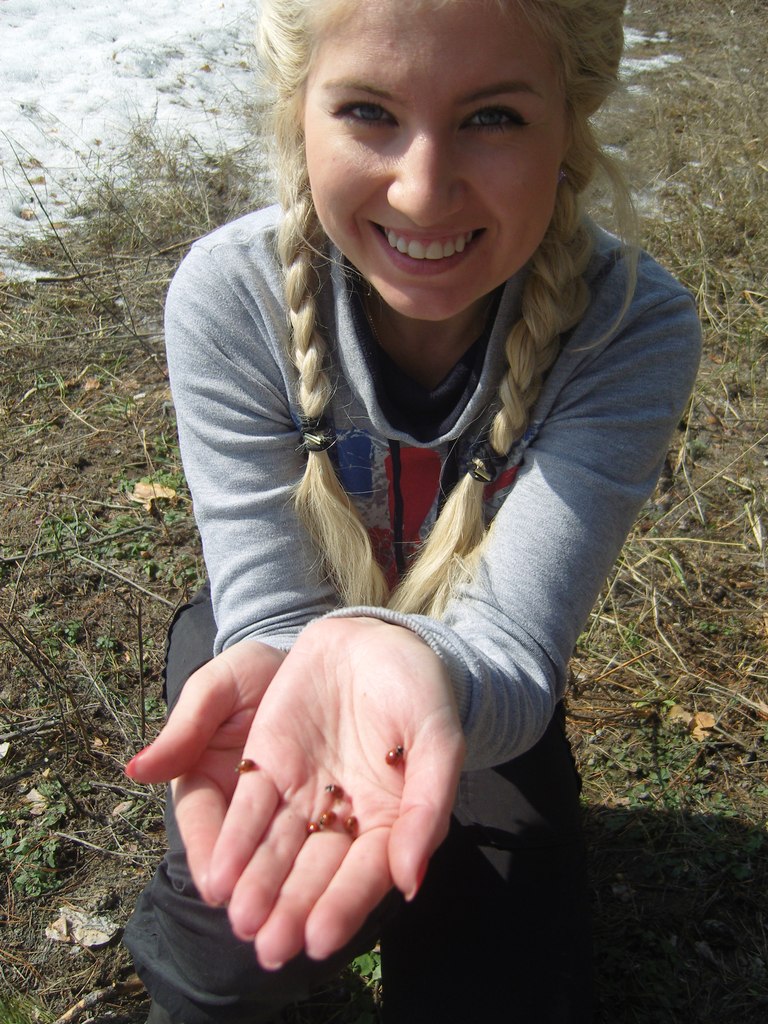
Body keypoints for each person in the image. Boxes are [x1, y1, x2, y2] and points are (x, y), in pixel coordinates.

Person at [123, 0, 701, 1021]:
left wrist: (419, 666)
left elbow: (515, 642)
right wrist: (296, 656)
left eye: (493, 118)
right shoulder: (229, 295)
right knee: (227, 955)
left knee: (509, 989)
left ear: (572, 120)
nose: (423, 190)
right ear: (298, 110)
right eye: (367, 111)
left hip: (468, 673)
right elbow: (266, 602)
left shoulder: (628, 327)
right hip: (269, 652)